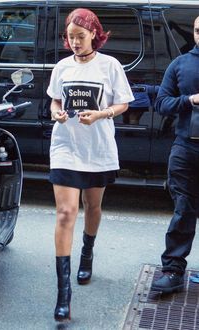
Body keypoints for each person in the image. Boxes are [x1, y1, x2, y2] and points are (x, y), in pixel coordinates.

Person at [46, 8, 134, 322]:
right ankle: (63, 294)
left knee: (92, 205)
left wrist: (100, 114)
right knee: (66, 211)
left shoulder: (111, 66)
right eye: (70, 38)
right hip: (66, 146)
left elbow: (123, 103)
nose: (74, 43)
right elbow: (55, 99)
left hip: (97, 148)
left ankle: (87, 250)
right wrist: (56, 110)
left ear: (95, 34)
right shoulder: (61, 67)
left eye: (80, 37)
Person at [152, 16, 199, 294]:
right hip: (186, 147)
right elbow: (161, 103)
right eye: (197, 31)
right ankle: (172, 271)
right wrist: (190, 100)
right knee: (183, 210)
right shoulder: (180, 64)